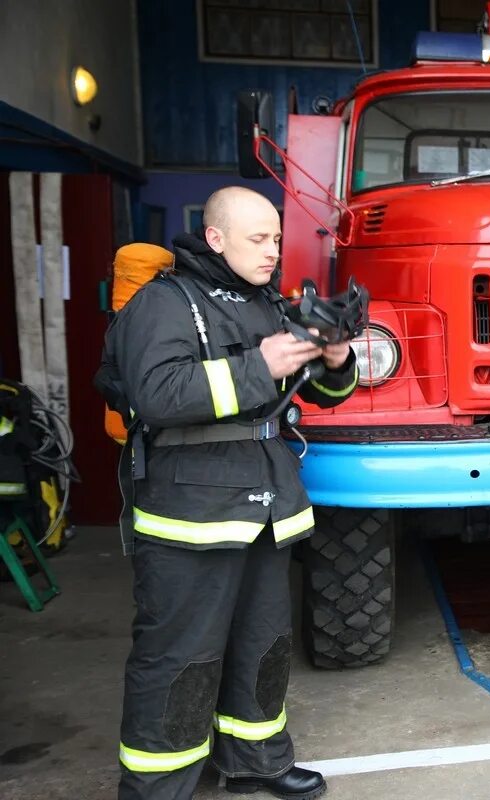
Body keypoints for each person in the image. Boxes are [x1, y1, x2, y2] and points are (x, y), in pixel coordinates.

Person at [99, 187, 359, 800]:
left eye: (275, 238)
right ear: (215, 238)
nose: (273, 251)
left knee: (262, 647)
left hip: (267, 505)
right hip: (191, 514)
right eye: (258, 239)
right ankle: (158, 790)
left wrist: (336, 356)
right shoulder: (164, 304)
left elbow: (318, 397)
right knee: (179, 659)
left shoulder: (268, 303)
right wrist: (258, 366)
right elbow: (156, 396)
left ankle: (257, 763)